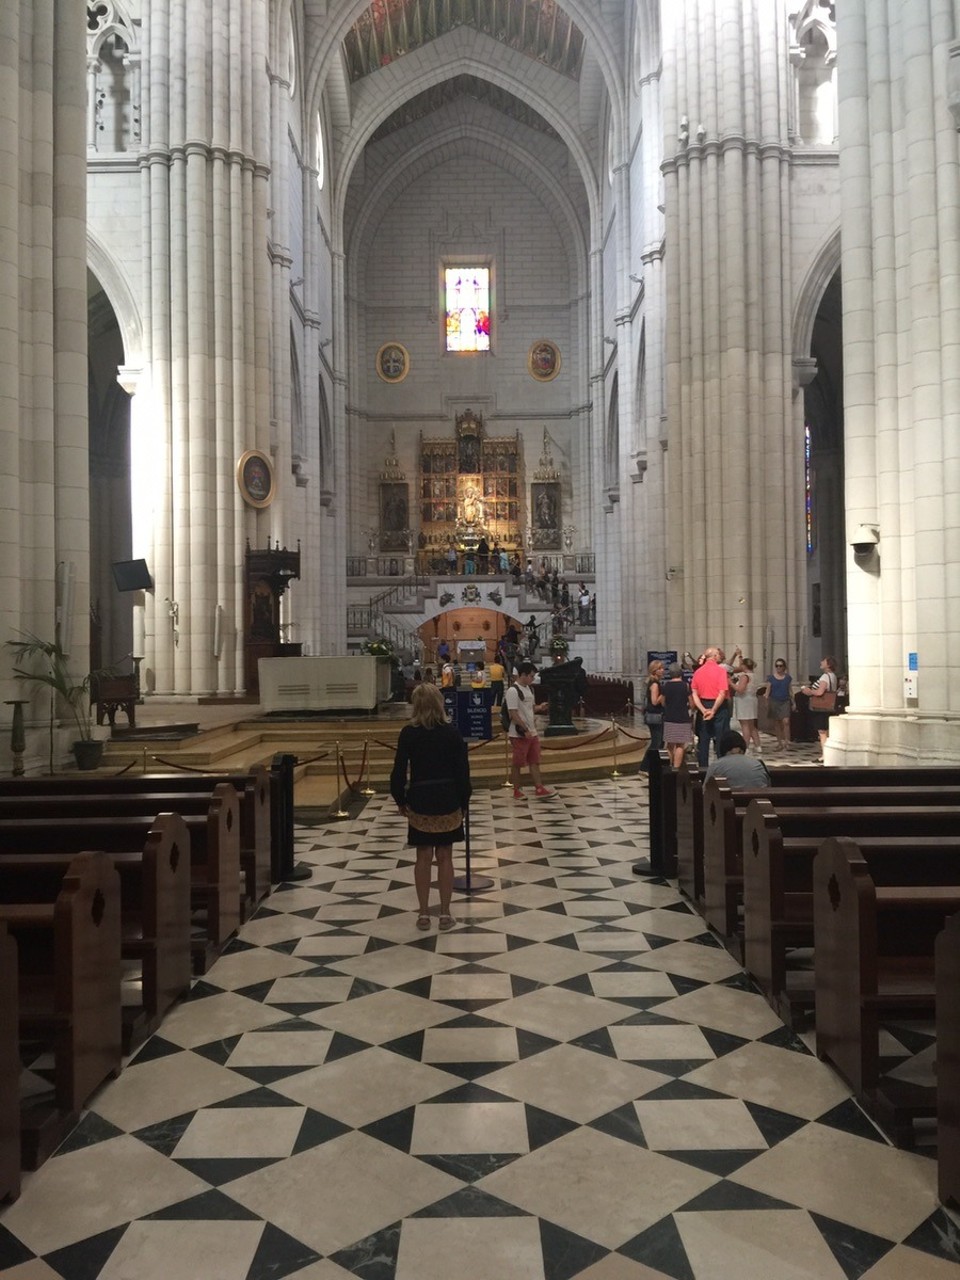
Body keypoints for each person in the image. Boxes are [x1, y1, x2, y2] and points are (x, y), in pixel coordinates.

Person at [389, 683, 471, 932]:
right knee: (445, 856)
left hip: (421, 797)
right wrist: (464, 801)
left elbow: (398, 771)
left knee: (423, 856)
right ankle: (445, 914)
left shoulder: (408, 733)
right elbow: (462, 772)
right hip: (448, 797)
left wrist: (400, 800)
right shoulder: (452, 733)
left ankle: (424, 913)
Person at [504, 661, 555, 799]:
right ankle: (516, 790)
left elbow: (530, 708)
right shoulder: (513, 691)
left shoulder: (529, 689)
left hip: (531, 732)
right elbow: (513, 713)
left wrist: (540, 707)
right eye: (531, 676)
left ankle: (539, 787)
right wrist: (524, 728)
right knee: (518, 763)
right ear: (523, 675)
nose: (533, 679)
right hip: (519, 733)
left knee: (534, 760)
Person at [690, 646, 730, 766]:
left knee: (703, 741)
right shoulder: (721, 671)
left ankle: (703, 771)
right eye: (718, 654)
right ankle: (722, 769)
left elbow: (694, 694)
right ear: (714, 656)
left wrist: (703, 710)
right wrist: (713, 710)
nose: (719, 656)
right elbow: (722, 693)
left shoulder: (698, 672)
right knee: (721, 740)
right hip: (719, 707)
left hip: (703, 705)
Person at [799, 656, 839, 759]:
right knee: (826, 731)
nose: (821, 662)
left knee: (822, 732)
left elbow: (820, 692)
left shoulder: (825, 677)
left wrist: (809, 691)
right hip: (828, 706)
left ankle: (825, 756)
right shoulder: (833, 676)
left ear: (828, 665)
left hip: (822, 707)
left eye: (824, 661)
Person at [704, 731, 771, 787]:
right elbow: (768, 785)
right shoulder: (759, 764)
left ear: (722, 748)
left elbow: (705, 789)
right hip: (760, 799)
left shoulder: (716, 765)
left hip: (728, 802)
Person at [661, 662, 693, 768]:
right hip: (683, 717)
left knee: (670, 744)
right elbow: (691, 703)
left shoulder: (666, 686)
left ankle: (668, 766)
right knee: (680, 744)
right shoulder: (685, 685)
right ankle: (676, 768)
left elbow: (662, 702)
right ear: (680, 673)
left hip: (670, 717)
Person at [759, 658, 793, 750]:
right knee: (777, 723)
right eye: (777, 666)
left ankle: (787, 741)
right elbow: (768, 690)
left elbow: (790, 690)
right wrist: (765, 701)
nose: (778, 667)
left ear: (784, 667)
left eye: (780, 666)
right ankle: (779, 742)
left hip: (785, 701)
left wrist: (793, 702)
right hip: (774, 701)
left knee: (786, 721)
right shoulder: (771, 678)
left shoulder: (788, 678)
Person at [730, 656, 762, 754]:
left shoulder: (745, 676)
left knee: (745, 725)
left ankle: (746, 746)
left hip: (744, 700)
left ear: (744, 666)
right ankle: (758, 746)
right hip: (752, 699)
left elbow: (740, 689)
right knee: (752, 725)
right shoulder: (754, 675)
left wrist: (730, 683)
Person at [640, 659, 665, 771]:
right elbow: (654, 701)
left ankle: (654, 766)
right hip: (655, 715)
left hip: (655, 714)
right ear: (654, 671)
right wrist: (664, 693)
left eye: (662, 668)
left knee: (659, 742)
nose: (662, 670)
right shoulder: (654, 684)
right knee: (656, 742)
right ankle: (645, 767)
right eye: (660, 668)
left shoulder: (652, 682)